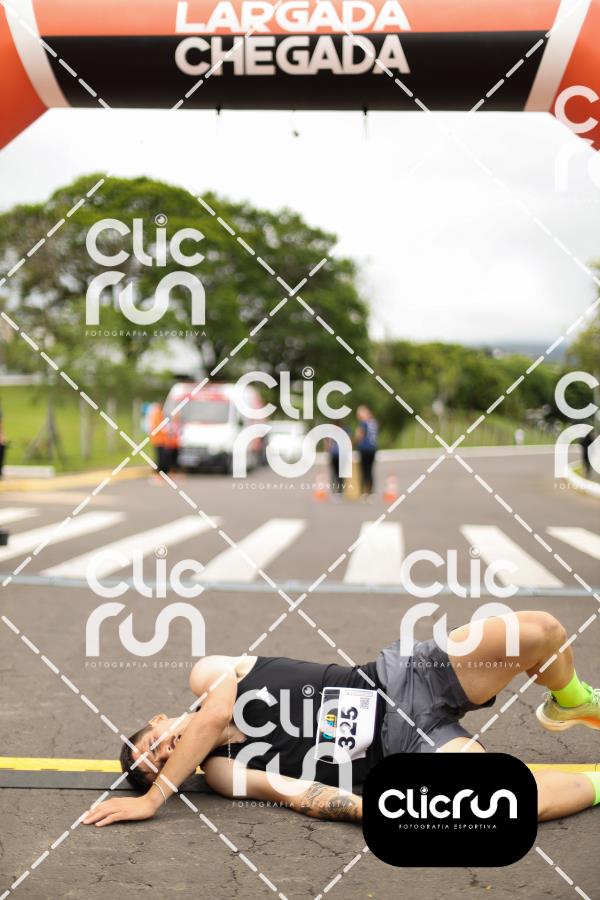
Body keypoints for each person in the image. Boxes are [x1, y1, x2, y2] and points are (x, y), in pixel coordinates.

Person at [83, 610, 600, 828]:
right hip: (406, 750)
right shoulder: (221, 770)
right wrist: (373, 810)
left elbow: (215, 712)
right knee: (506, 806)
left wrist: (153, 799)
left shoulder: (208, 676)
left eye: (151, 744)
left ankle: (572, 700)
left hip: (407, 677)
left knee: (541, 632)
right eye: (157, 767)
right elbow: (297, 794)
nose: (162, 754)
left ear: (157, 720)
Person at [355, 405, 378, 498]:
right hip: (373, 448)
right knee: (370, 470)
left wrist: (355, 441)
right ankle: (371, 491)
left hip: (364, 448)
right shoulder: (374, 423)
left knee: (364, 471)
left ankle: (364, 492)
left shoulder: (363, 424)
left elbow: (359, 436)